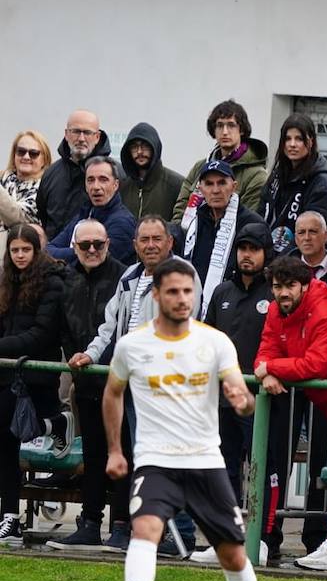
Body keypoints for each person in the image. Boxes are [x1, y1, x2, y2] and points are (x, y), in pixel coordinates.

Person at [102, 257, 273, 581]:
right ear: (157, 295)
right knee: (145, 529)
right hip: (155, 460)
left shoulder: (214, 342)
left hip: (204, 461)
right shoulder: (132, 346)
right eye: (173, 292)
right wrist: (114, 449)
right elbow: (113, 392)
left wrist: (242, 400)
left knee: (233, 554)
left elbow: (242, 397)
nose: (182, 299)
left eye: (188, 291)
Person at [71, 215, 204, 558]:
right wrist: (90, 354)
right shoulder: (130, 276)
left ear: (169, 242)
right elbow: (108, 326)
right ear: (134, 244)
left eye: (156, 238)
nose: (150, 245)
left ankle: (182, 535)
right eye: (143, 239)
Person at [255, 256, 327, 571]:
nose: (283, 293)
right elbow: (264, 352)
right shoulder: (277, 311)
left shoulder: (325, 311)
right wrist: (268, 372)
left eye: (290, 285)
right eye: (278, 286)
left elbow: (317, 365)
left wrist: (272, 368)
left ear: (305, 285)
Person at [200, 224, 282, 563]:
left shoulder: (274, 293)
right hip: (223, 399)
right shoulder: (222, 293)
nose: (246, 255)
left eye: (254, 248)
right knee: (225, 470)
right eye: (242, 248)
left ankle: (265, 539)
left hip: (262, 400)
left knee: (265, 468)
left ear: (265, 253)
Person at [48, 221, 127, 552]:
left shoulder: (125, 278)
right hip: (86, 382)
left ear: (108, 243)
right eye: (85, 245)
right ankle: (90, 523)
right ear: (75, 246)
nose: (92, 250)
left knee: (122, 454)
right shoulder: (66, 279)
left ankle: (122, 525)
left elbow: (118, 329)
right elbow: (63, 328)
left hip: (120, 383)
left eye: (98, 244)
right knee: (93, 456)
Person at [0, 225, 67, 545]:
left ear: (36, 251)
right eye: (15, 250)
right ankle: (9, 515)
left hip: (35, 377)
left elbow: (41, 335)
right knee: (5, 442)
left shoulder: (52, 283)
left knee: (9, 436)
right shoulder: (5, 283)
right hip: (9, 375)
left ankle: (10, 516)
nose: (20, 256)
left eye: (26, 250)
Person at [173, 159, 267, 314]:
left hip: (237, 308)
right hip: (193, 307)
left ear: (234, 186)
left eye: (222, 183)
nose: (215, 190)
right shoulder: (193, 222)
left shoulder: (252, 224)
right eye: (209, 184)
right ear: (200, 188)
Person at [172, 99, 270, 222]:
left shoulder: (257, 174)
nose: (224, 132)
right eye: (219, 125)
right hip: (190, 236)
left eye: (231, 125)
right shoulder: (200, 166)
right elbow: (181, 208)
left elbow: (250, 221)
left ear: (242, 129)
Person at [260, 113, 327, 253]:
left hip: (296, 265)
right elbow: (261, 216)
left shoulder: (321, 182)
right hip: (268, 256)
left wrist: (281, 262)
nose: (292, 144)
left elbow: (313, 238)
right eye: (288, 139)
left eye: (299, 139)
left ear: (311, 142)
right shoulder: (277, 175)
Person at [37, 110, 115, 237]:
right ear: (66, 134)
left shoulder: (114, 173)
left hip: (94, 253)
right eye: (76, 131)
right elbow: (43, 215)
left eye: (87, 132)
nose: (81, 138)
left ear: (97, 137)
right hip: (54, 254)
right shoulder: (51, 173)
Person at [49, 157, 137, 264]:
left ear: (115, 185)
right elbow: (48, 250)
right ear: (85, 186)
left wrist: (79, 250)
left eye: (103, 180)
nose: (96, 186)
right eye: (90, 180)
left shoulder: (123, 222)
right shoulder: (85, 213)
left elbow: (95, 262)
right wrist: (80, 252)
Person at [118, 123, 182, 220]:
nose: (139, 151)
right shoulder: (122, 186)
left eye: (145, 146)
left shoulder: (175, 184)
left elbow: (182, 223)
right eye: (134, 147)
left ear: (155, 147)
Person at [1, 130, 51, 241]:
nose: (26, 157)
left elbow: (17, 217)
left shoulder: (45, 189)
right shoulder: (2, 180)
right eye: (21, 151)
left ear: (44, 159)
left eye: (33, 153)